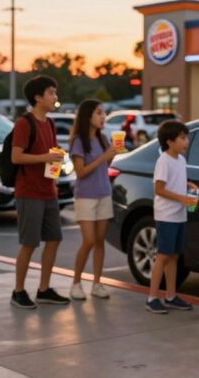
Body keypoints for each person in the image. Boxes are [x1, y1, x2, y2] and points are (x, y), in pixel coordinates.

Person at [10, 75, 70, 309]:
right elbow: (16, 156)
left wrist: (55, 160)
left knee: (54, 239)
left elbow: (49, 154)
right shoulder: (25, 123)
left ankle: (44, 289)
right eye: (51, 93)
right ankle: (18, 291)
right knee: (30, 243)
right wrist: (45, 157)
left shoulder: (51, 123)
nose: (55, 97)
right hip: (29, 192)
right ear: (37, 97)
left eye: (55, 93)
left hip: (49, 191)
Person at [69, 99, 119, 300]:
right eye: (99, 113)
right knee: (88, 240)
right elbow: (80, 172)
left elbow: (105, 164)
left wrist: (112, 154)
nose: (103, 116)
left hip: (104, 193)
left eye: (104, 113)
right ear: (88, 116)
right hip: (86, 196)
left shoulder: (103, 138)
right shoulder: (78, 141)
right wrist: (103, 157)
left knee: (99, 241)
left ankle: (97, 283)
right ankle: (76, 283)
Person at [146, 120, 198, 314]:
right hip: (166, 215)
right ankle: (152, 297)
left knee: (174, 256)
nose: (187, 142)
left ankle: (170, 295)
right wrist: (181, 197)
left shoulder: (181, 160)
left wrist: (189, 185)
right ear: (169, 142)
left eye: (187, 137)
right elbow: (159, 189)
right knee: (163, 255)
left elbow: (175, 182)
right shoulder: (164, 161)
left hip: (179, 214)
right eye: (182, 138)